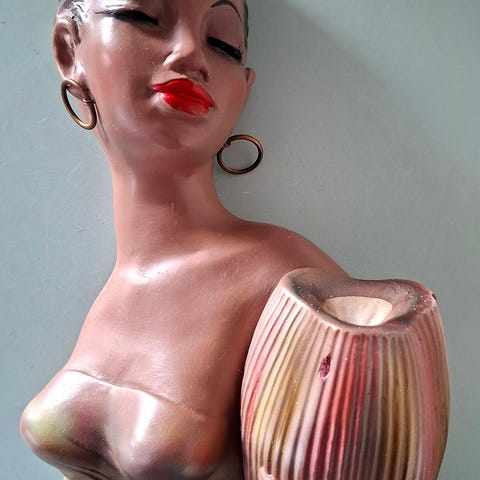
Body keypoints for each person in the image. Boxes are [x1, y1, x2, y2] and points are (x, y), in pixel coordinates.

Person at [20, 1, 349, 479]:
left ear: (244, 91)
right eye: (143, 17)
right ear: (69, 50)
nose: (191, 52)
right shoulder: (119, 287)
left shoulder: (288, 282)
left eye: (223, 44)